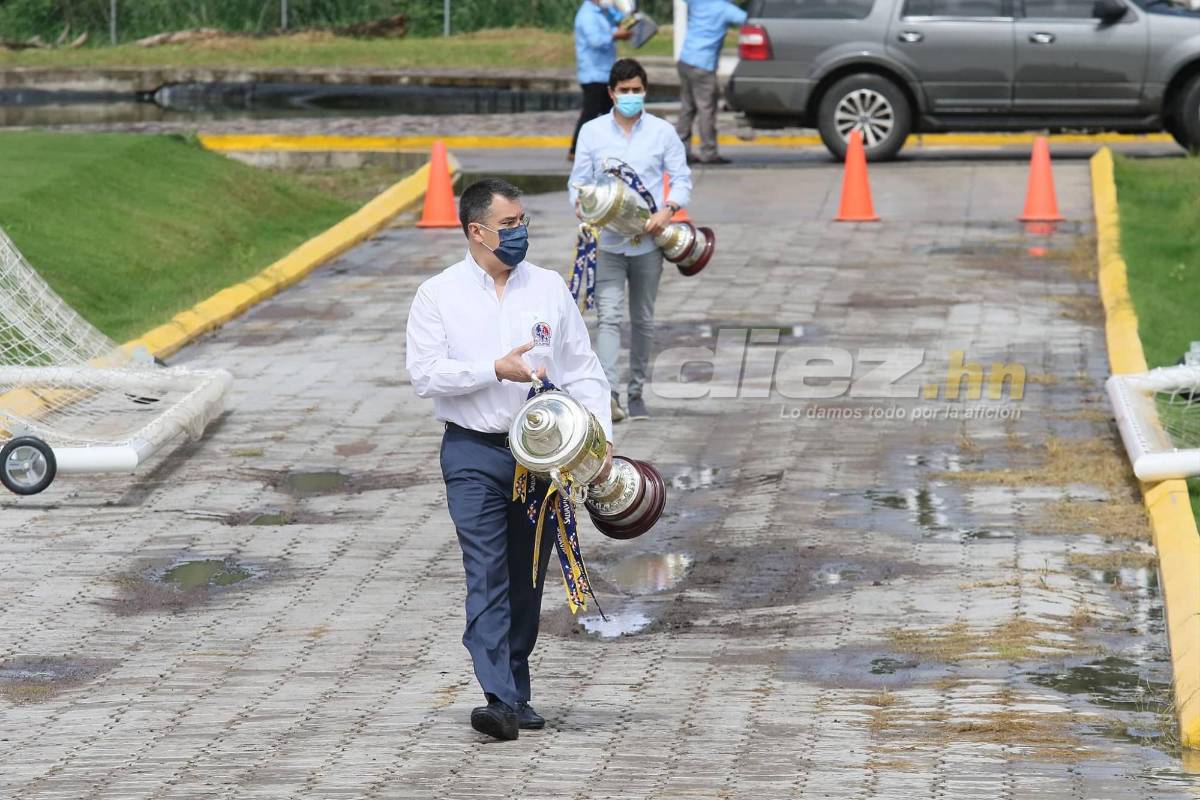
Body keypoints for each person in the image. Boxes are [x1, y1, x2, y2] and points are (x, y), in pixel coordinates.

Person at [405, 178, 613, 741]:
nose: (521, 231)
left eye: (523, 221)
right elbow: (425, 374)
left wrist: (601, 443)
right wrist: (493, 369)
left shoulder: (548, 288)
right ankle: (497, 696)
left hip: (541, 462)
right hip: (472, 452)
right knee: (486, 571)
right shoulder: (438, 295)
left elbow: (583, 370)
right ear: (477, 231)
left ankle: (516, 692)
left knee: (526, 577)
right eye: (509, 224)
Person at [569, 58, 692, 422]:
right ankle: (610, 396)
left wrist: (668, 211)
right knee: (608, 318)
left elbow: (682, 178)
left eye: (637, 90)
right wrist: (581, 206)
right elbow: (578, 182)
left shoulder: (662, 132)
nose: (631, 96)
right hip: (607, 243)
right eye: (624, 91)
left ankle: (636, 392)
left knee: (643, 320)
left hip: (649, 243)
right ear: (611, 93)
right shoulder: (592, 132)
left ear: (645, 91)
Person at [676, 0, 747, 165]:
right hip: (703, 65)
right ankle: (708, 152)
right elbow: (750, 20)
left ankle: (680, 151)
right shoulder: (725, 9)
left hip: (685, 60)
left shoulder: (699, 2)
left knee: (687, 108)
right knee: (706, 110)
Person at [570, 0, 632, 161]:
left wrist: (624, 12)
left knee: (610, 113)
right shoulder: (587, 15)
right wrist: (616, 35)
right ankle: (576, 149)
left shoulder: (603, 11)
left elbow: (620, 20)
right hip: (593, 73)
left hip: (605, 72)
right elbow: (596, 40)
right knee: (590, 114)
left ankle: (612, 148)